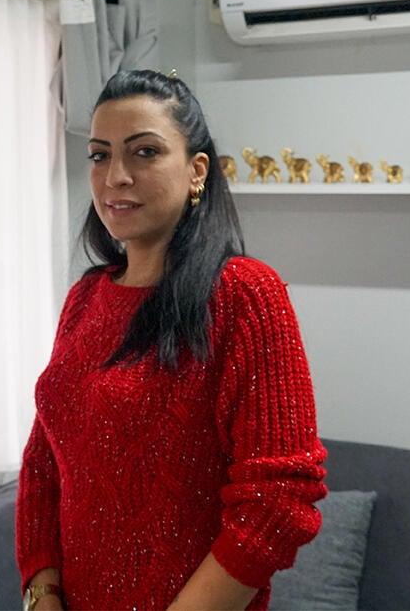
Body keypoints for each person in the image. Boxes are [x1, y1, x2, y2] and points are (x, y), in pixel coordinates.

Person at [16, 69, 328, 610]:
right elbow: (45, 464)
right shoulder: (86, 299)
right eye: (99, 155)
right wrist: (41, 594)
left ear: (196, 170)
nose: (115, 176)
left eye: (144, 152)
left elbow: (279, 500)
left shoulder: (244, 295)